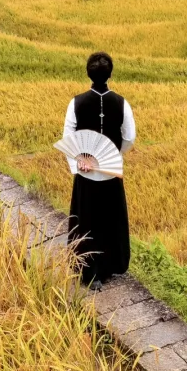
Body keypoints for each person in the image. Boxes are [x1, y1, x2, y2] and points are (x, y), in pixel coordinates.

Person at [64, 51, 135, 287]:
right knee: (109, 217)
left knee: (87, 218)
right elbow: (129, 137)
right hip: (110, 171)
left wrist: (80, 161)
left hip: (86, 172)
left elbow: (69, 138)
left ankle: (89, 272)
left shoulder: (76, 103)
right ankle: (111, 265)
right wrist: (114, 156)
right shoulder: (122, 103)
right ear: (110, 74)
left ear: (88, 73)